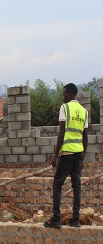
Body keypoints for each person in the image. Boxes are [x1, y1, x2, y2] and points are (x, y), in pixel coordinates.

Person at [44, 83, 88, 229]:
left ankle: (56, 218)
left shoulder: (65, 108)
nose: (63, 97)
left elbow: (62, 132)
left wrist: (55, 155)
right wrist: (82, 156)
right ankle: (75, 219)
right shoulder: (84, 111)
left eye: (64, 95)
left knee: (57, 184)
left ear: (70, 94)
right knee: (77, 186)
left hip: (67, 152)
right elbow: (85, 136)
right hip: (79, 153)